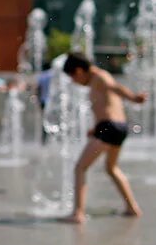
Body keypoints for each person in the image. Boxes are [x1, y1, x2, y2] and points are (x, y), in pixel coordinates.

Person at [60, 53, 146, 224]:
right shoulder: (96, 80)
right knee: (111, 168)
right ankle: (132, 208)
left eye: (72, 77)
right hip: (116, 127)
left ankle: (78, 213)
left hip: (109, 127)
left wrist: (134, 98)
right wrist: (95, 129)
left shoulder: (100, 76)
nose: (73, 81)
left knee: (80, 167)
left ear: (78, 71)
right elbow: (106, 104)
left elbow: (115, 88)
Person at [36, 61, 53, 144]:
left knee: (44, 121)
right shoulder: (53, 74)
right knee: (54, 120)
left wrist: (38, 101)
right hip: (52, 102)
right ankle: (55, 139)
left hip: (43, 101)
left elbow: (38, 89)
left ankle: (44, 141)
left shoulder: (41, 75)